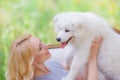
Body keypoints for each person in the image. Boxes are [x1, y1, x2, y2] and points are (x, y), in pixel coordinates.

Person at [5, 34, 103, 80]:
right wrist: (92, 57)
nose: (46, 46)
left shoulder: (50, 62)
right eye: (40, 48)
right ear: (32, 62)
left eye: (41, 41)